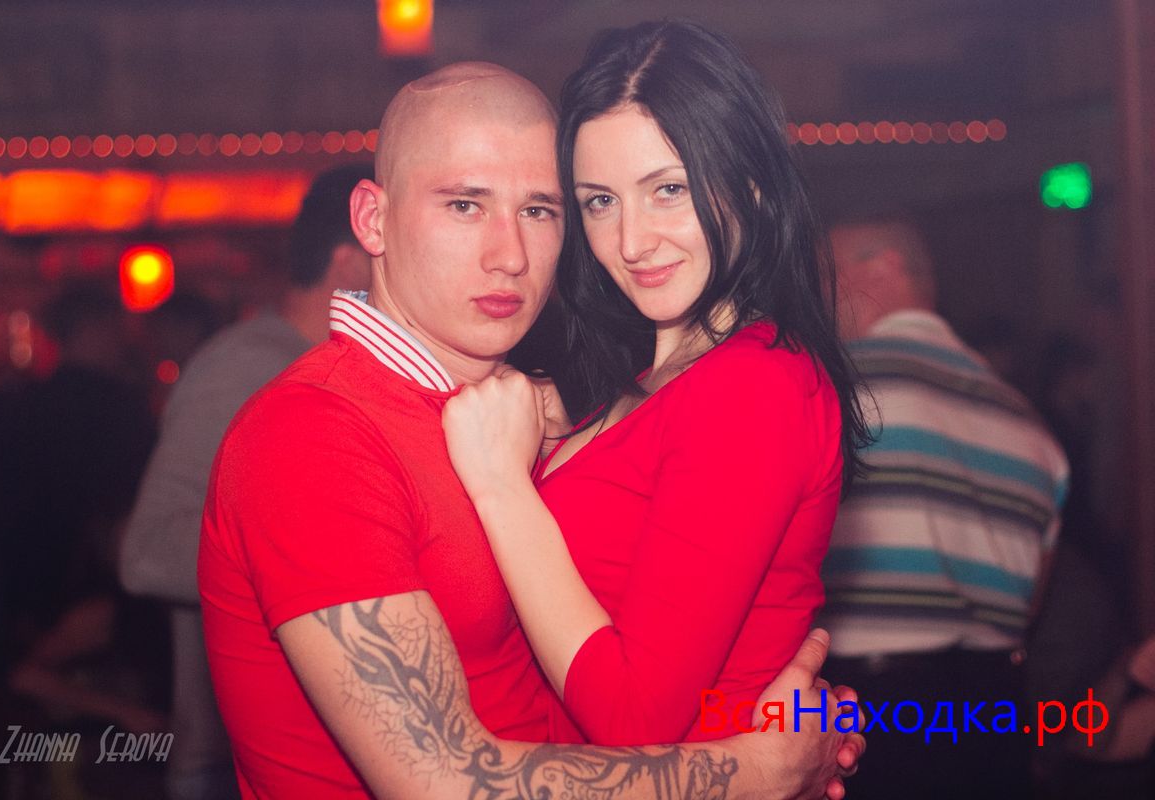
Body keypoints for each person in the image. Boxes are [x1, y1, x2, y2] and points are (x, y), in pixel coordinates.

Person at [199, 60, 862, 799]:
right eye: (465, 205)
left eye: (541, 211)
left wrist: (758, 689)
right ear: (372, 220)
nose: (509, 255)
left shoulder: (517, 420)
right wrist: (761, 769)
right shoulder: (314, 437)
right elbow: (443, 786)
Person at [442, 19, 870, 746]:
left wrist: (503, 488)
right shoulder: (659, 379)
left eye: (667, 189)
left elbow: (634, 716)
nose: (631, 242)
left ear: (751, 186)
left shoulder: (753, 386)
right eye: (600, 202)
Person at [120, 164, 373, 800]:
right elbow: (147, 553)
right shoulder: (249, 366)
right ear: (347, 263)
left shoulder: (327, 367)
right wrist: (313, 562)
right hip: (229, 762)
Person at [816, 215, 1069, 798]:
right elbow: (1033, 602)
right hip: (996, 715)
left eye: (825, 273)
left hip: (869, 714)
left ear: (884, 267)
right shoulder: (1031, 425)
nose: (816, 294)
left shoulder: (835, 388)